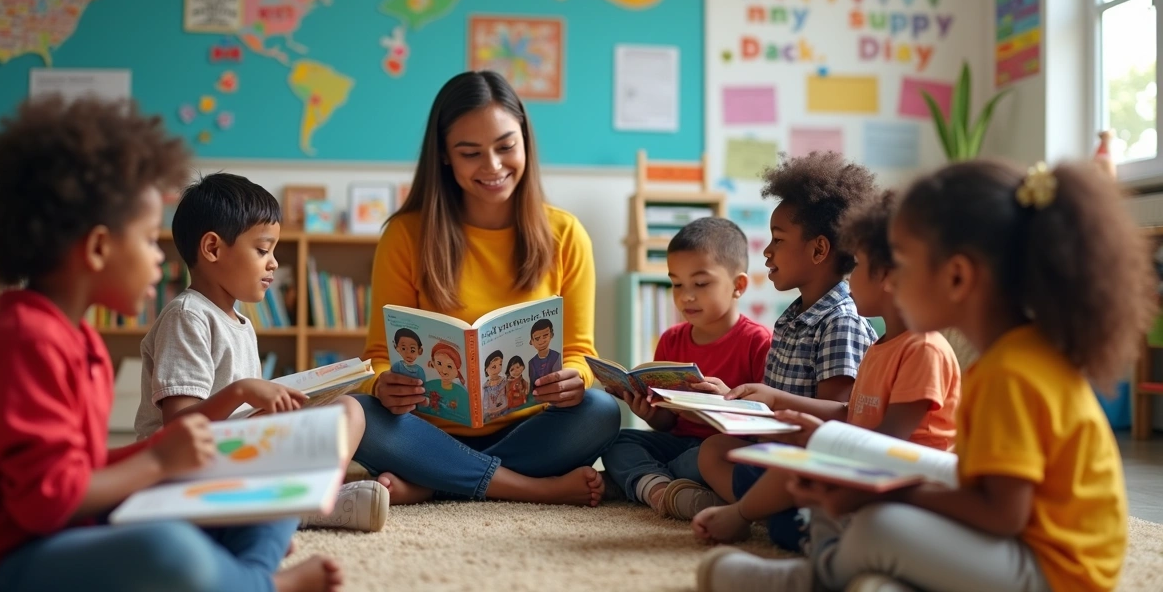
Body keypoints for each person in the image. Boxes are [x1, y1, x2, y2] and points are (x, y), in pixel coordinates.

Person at [698, 160, 1152, 592]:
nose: (890, 279)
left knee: (879, 524)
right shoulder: (1010, 357)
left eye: (904, 262)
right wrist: (840, 449)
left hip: (1057, 572)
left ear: (956, 277)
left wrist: (882, 496)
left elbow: (1002, 515)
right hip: (1024, 541)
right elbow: (981, 481)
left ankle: (814, 579)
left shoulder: (1012, 374)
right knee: (835, 457)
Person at [0, 96, 343, 592]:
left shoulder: (78, 338)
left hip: (63, 531)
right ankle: (261, 585)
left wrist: (162, 458)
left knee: (273, 500)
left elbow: (82, 471)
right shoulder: (27, 343)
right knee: (167, 551)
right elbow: (46, 501)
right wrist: (157, 463)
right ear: (97, 249)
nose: (159, 261)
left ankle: (239, 576)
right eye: (145, 241)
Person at [352, 71, 620, 506]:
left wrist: (576, 378)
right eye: (470, 152)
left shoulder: (566, 234)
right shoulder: (405, 235)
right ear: (444, 156)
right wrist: (383, 385)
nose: (493, 166)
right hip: (427, 429)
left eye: (506, 146)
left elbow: (579, 352)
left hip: (529, 427)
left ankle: (433, 483)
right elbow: (378, 358)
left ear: (526, 142)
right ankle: (530, 489)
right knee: (358, 414)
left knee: (600, 412)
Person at [692, 190, 962, 549]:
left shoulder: (923, 348)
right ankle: (753, 513)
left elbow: (888, 443)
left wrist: (823, 442)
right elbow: (852, 413)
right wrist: (805, 425)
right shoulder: (881, 346)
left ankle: (755, 515)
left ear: (887, 277)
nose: (849, 277)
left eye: (859, 264)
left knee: (791, 515)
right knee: (777, 484)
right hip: (862, 467)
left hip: (897, 481)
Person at [134, 172, 387, 531]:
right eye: (261, 249)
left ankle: (316, 493)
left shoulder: (240, 322)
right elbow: (178, 427)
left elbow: (247, 412)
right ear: (213, 249)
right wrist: (243, 391)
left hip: (234, 448)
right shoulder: (187, 316)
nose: (274, 263)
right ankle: (301, 504)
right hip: (181, 462)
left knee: (350, 409)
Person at [602, 217, 771, 520]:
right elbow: (666, 423)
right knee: (617, 441)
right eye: (676, 284)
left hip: (720, 450)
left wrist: (720, 407)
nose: (685, 296)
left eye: (701, 283)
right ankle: (660, 491)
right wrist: (651, 414)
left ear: (738, 285)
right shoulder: (671, 339)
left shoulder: (758, 342)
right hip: (678, 443)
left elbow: (765, 427)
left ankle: (640, 482)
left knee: (700, 459)